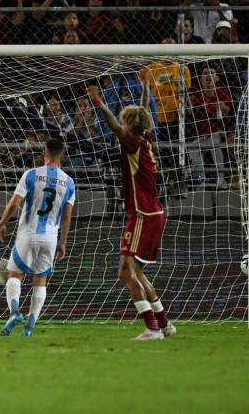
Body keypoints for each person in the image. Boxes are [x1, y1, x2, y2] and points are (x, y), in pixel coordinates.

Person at [88, 84, 175, 340]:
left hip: (143, 215)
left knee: (126, 272)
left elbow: (114, 125)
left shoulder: (134, 142)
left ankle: (152, 328)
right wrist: (146, 85)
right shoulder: (145, 138)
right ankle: (164, 324)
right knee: (136, 272)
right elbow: (144, 110)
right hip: (152, 214)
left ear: (129, 125)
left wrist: (98, 100)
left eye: (125, 120)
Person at [0, 138, 74, 337]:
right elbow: (66, 216)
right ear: (62, 157)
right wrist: (63, 242)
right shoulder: (69, 182)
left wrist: (1, 223)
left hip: (28, 234)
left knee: (14, 275)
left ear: (43, 155)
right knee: (40, 282)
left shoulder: (31, 175)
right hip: (50, 238)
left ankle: (14, 312)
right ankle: (29, 326)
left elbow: (14, 203)